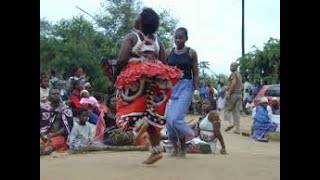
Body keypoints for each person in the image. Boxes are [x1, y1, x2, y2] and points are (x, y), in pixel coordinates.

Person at [114, 8, 182, 164]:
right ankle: (155, 151)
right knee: (150, 112)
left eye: (138, 15)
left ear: (141, 21)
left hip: (136, 79)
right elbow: (165, 62)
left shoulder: (132, 37)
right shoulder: (158, 41)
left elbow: (123, 58)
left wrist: (117, 72)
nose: (135, 17)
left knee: (127, 108)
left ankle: (139, 126)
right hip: (156, 78)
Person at [166, 27, 200, 157]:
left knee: (175, 119)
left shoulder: (191, 53)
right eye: (176, 37)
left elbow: (195, 73)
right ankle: (178, 149)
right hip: (171, 87)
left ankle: (191, 133)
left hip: (186, 86)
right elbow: (163, 70)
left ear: (186, 38)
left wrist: (196, 90)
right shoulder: (169, 52)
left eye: (180, 37)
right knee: (169, 122)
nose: (177, 40)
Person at [40, 88, 74, 155]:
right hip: (44, 134)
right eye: (54, 94)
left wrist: (52, 135)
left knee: (46, 150)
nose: (56, 95)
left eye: (58, 94)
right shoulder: (44, 108)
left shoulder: (65, 109)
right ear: (49, 96)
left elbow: (67, 127)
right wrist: (42, 134)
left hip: (59, 136)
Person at [224, 62, 243, 134]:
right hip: (239, 94)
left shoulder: (233, 74)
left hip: (233, 94)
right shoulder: (239, 74)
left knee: (227, 109)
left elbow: (234, 83)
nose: (230, 67)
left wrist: (228, 92)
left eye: (232, 66)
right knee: (236, 112)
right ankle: (237, 128)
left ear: (236, 67)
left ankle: (231, 123)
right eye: (230, 65)